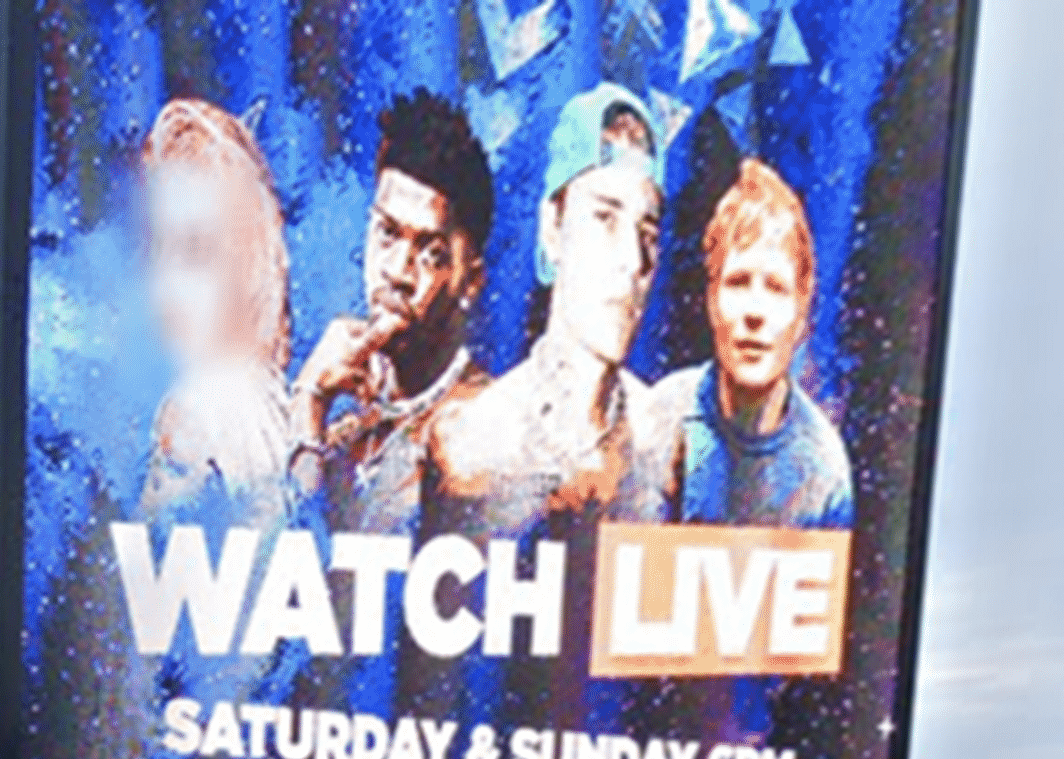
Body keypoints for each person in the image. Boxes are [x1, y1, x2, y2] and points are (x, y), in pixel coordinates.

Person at [428, 84, 673, 536]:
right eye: (605, 218)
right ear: (552, 230)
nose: (633, 260)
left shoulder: (662, 439)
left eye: (649, 233)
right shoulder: (476, 442)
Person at [292, 89, 496, 534]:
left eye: (430, 252)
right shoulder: (351, 423)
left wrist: (308, 403)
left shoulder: (482, 428)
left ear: (471, 281)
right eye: (386, 233)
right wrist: (312, 405)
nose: (397, 271)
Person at [647, 158, 854, 528]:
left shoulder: (824, 469)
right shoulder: (658, 421)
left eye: (775, 288)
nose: (754, 312)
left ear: (801, 311)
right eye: (739, 282)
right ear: (711, 298)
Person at [134, 98, 296, 525]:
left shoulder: (198, 407)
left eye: (197, 251)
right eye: (158, 249)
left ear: (250, 261)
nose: (167, 284)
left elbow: (133, 572)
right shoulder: (267, 400)